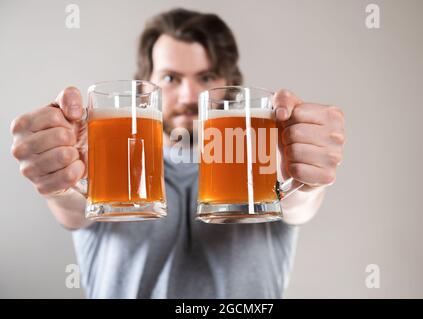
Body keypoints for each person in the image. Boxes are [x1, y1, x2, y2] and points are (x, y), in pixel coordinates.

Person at [10, 8, 345, 298]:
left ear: (231, 85)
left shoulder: (258, 166)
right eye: (171, 78)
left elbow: (296, 203)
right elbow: (73, 203)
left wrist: (305, 180)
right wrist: (60, 174)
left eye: (207, 77)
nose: (189, 95)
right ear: (145, 87)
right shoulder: (104, 165)